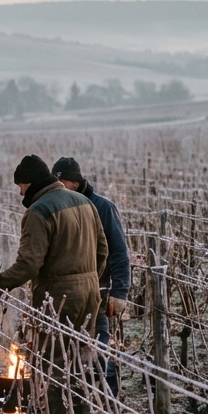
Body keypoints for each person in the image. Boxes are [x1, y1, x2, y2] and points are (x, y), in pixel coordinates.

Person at [0, 155, 107, 414]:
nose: (20, 193)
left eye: (21, 186)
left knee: (54, 373)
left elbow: (29, 263)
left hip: (58, 298)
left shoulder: (39, 211)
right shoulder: (83, 200)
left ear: (32, 183)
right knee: (80, 368)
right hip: (90, 294)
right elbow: (103, 250)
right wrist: (88, 280)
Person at [53, 157, 129, 396]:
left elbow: (118, 252)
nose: (58, 187)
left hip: (98, 290)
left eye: (61, 181)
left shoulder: (103, 208)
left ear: (74, 182)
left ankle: (107, 401)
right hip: (68, 293)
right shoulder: (61, 207)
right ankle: (81, 397)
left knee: (97, 345)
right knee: (73, 348)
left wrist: (119, 292)